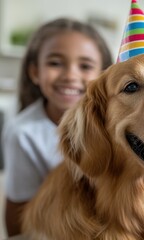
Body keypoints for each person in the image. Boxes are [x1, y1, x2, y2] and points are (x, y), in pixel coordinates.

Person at [1, 17, 112, 236]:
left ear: (104, 76)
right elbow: (18, 215)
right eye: (55, 63)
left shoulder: (116, 125)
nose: (70, 75)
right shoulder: (23, 134)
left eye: (85, 66)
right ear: (34, 73)